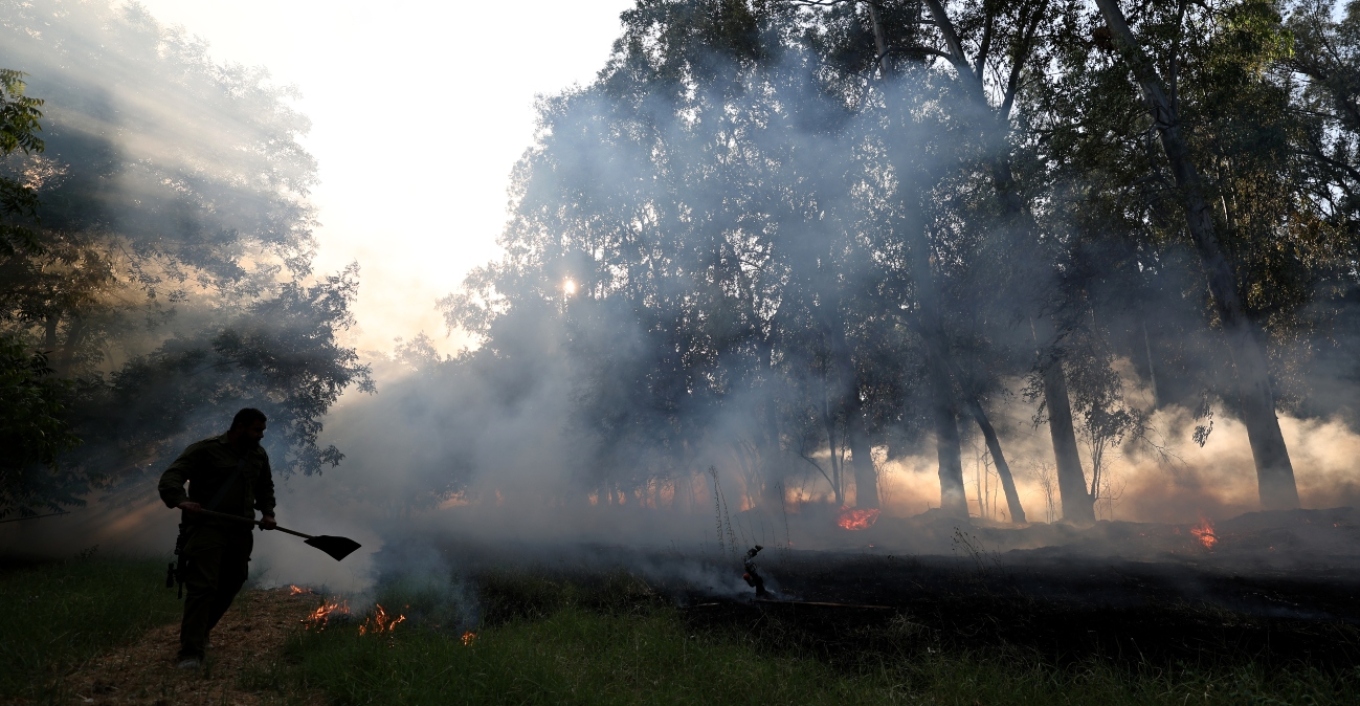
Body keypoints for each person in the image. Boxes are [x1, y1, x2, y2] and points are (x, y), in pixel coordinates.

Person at [158, 407, 278, 669]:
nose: (261, 436)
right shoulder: (205, 449)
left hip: (241, 529)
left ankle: (201, 631)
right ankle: (190, 651)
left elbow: (265, 487)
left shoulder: (258, 455)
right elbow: (172, 477)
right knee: (203, 586)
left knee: (233, 581)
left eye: (262, 431)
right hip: (207, 528)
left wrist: (268, 513)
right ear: (240, 427)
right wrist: (182, 501)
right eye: (257, 430)